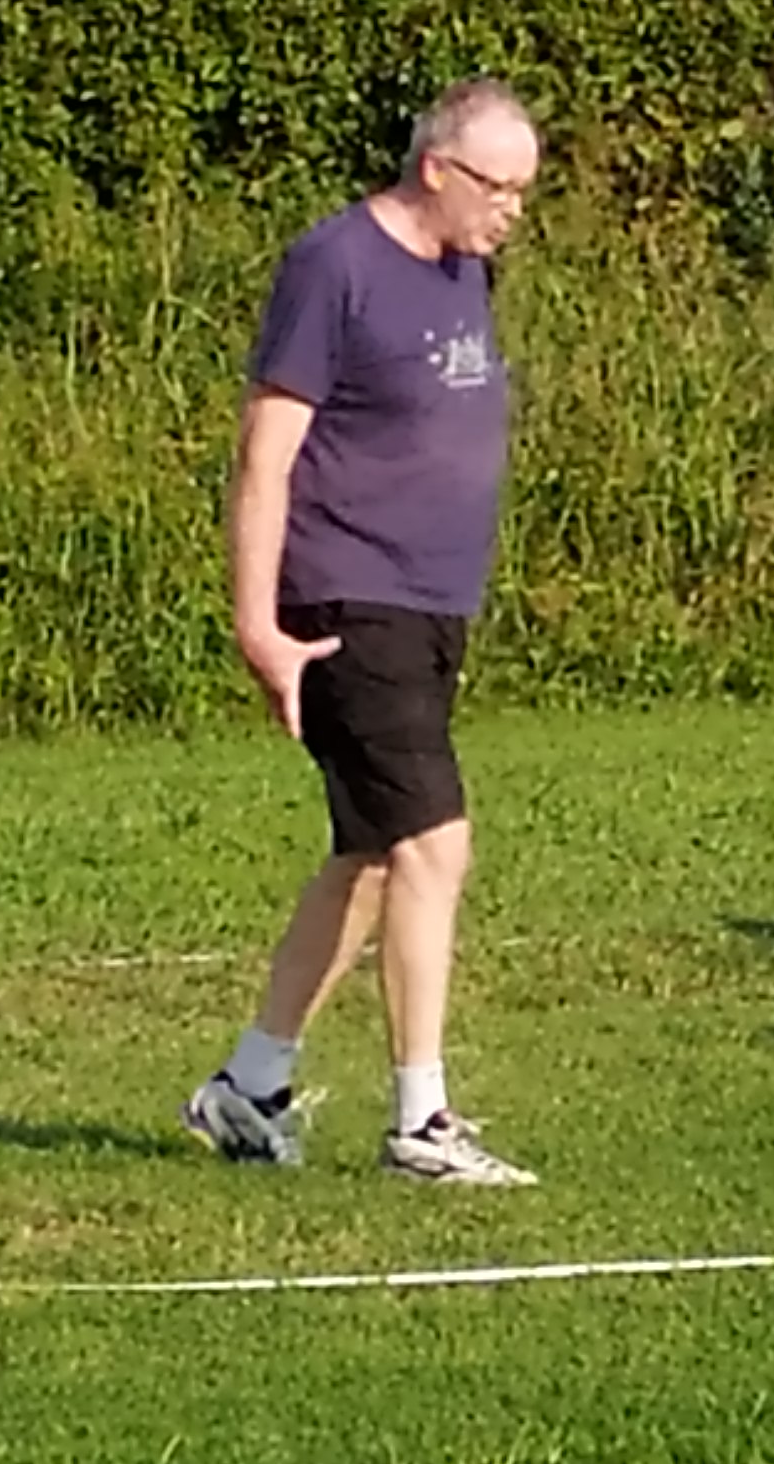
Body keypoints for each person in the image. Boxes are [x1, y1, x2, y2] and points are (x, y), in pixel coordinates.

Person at [183, 78, 543, 1188]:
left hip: (431, 604)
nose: (513, 211)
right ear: (436, 168)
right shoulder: (332, 264)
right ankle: (421, 1123)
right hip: (347, 598)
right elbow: (266, 454)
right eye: (498, 187)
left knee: (377, 856)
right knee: (436, 842)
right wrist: (259, 624)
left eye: (525, 191)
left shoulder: (465, 268)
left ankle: (248, 1088)